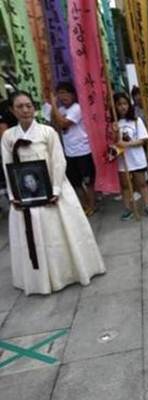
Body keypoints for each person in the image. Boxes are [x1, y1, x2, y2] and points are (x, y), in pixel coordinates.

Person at [1, 91, 105, 295]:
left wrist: (55, 190)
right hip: (25, 195)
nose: (25, 110)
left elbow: (58, 161)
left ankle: (67, 273)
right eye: (20, 106)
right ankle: (39, 280)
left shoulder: (47, 132)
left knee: (58, 234)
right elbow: (7, 165)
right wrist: (15, 196)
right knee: (34, 237)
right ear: (12, 110)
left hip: (53, 190)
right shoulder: (8, 136)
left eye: (28, 105)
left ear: (34, 108)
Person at [50, 81, 97, 216]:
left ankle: (92, 205)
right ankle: (85, 204)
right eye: (59, 94)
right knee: (76, 183)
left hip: (83, 151)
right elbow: (54, 125)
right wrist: (54, 108)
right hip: (69, 153)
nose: (62, 96)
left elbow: (64, 123)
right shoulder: (61, 110)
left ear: (72, 94)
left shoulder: (77, 108)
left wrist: (53, 105)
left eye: (65, 93)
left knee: (88, 181)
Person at [112, 92, 148, 220]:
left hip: (136, 158)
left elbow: (142, 140)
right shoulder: (114, 123)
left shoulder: (136, 121)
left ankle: (147, 206)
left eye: (125, 103)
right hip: (123, 160)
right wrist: (114, 134)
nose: (122, 107)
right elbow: (113, 143)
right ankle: (127, 209)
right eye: (119, 104)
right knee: (125, 186)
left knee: (142, 184)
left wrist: (126, 144)